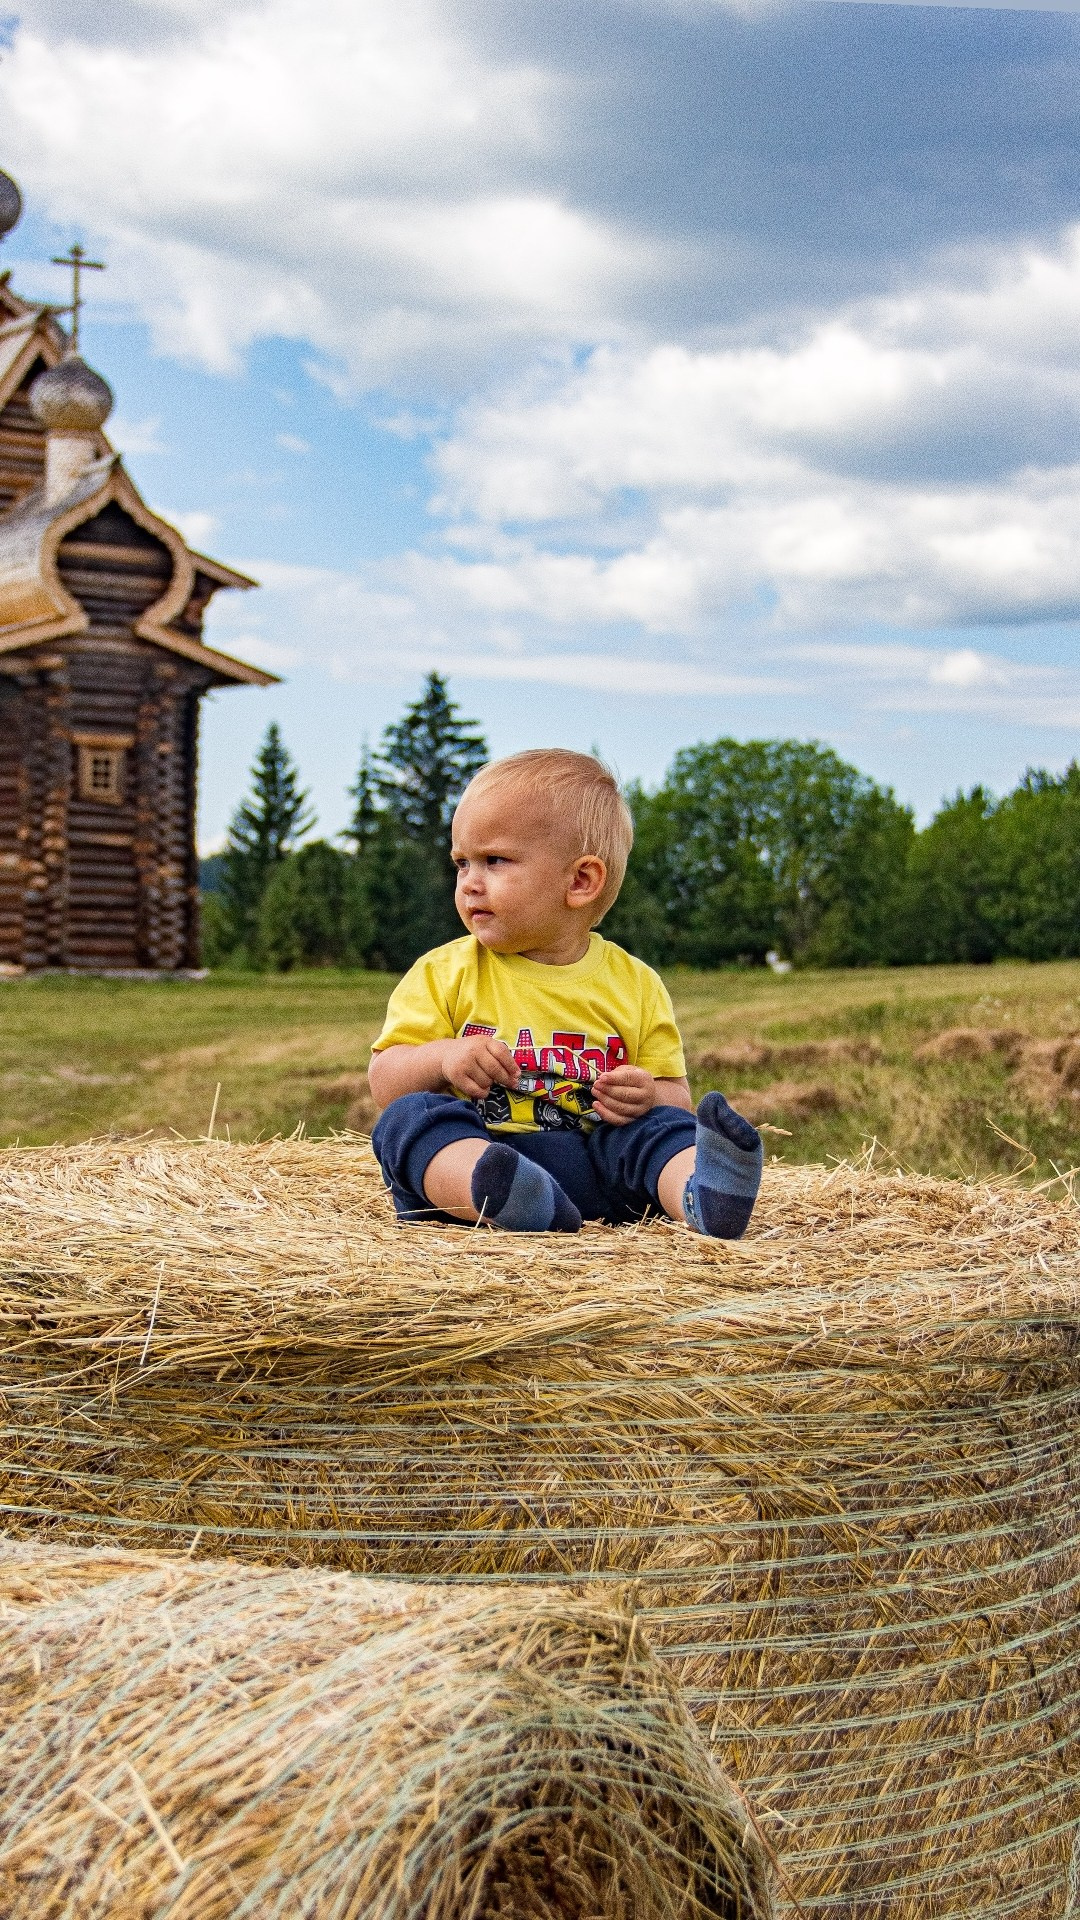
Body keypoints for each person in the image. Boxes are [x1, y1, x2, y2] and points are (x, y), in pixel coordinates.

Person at [368, 749, 762, 1237]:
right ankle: (510, 1199)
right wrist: (445, 1058)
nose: (469, 883)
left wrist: (646, 1096)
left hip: (600, 1168)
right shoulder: (443, 972)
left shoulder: (633, 983)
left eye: (494, 860)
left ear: (579, 881)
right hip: (481, 1155)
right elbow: (385, 1081)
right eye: (461, 863)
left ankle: (701, 1197)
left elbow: (675, 1097)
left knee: (663, 1132)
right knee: (408, 1119)